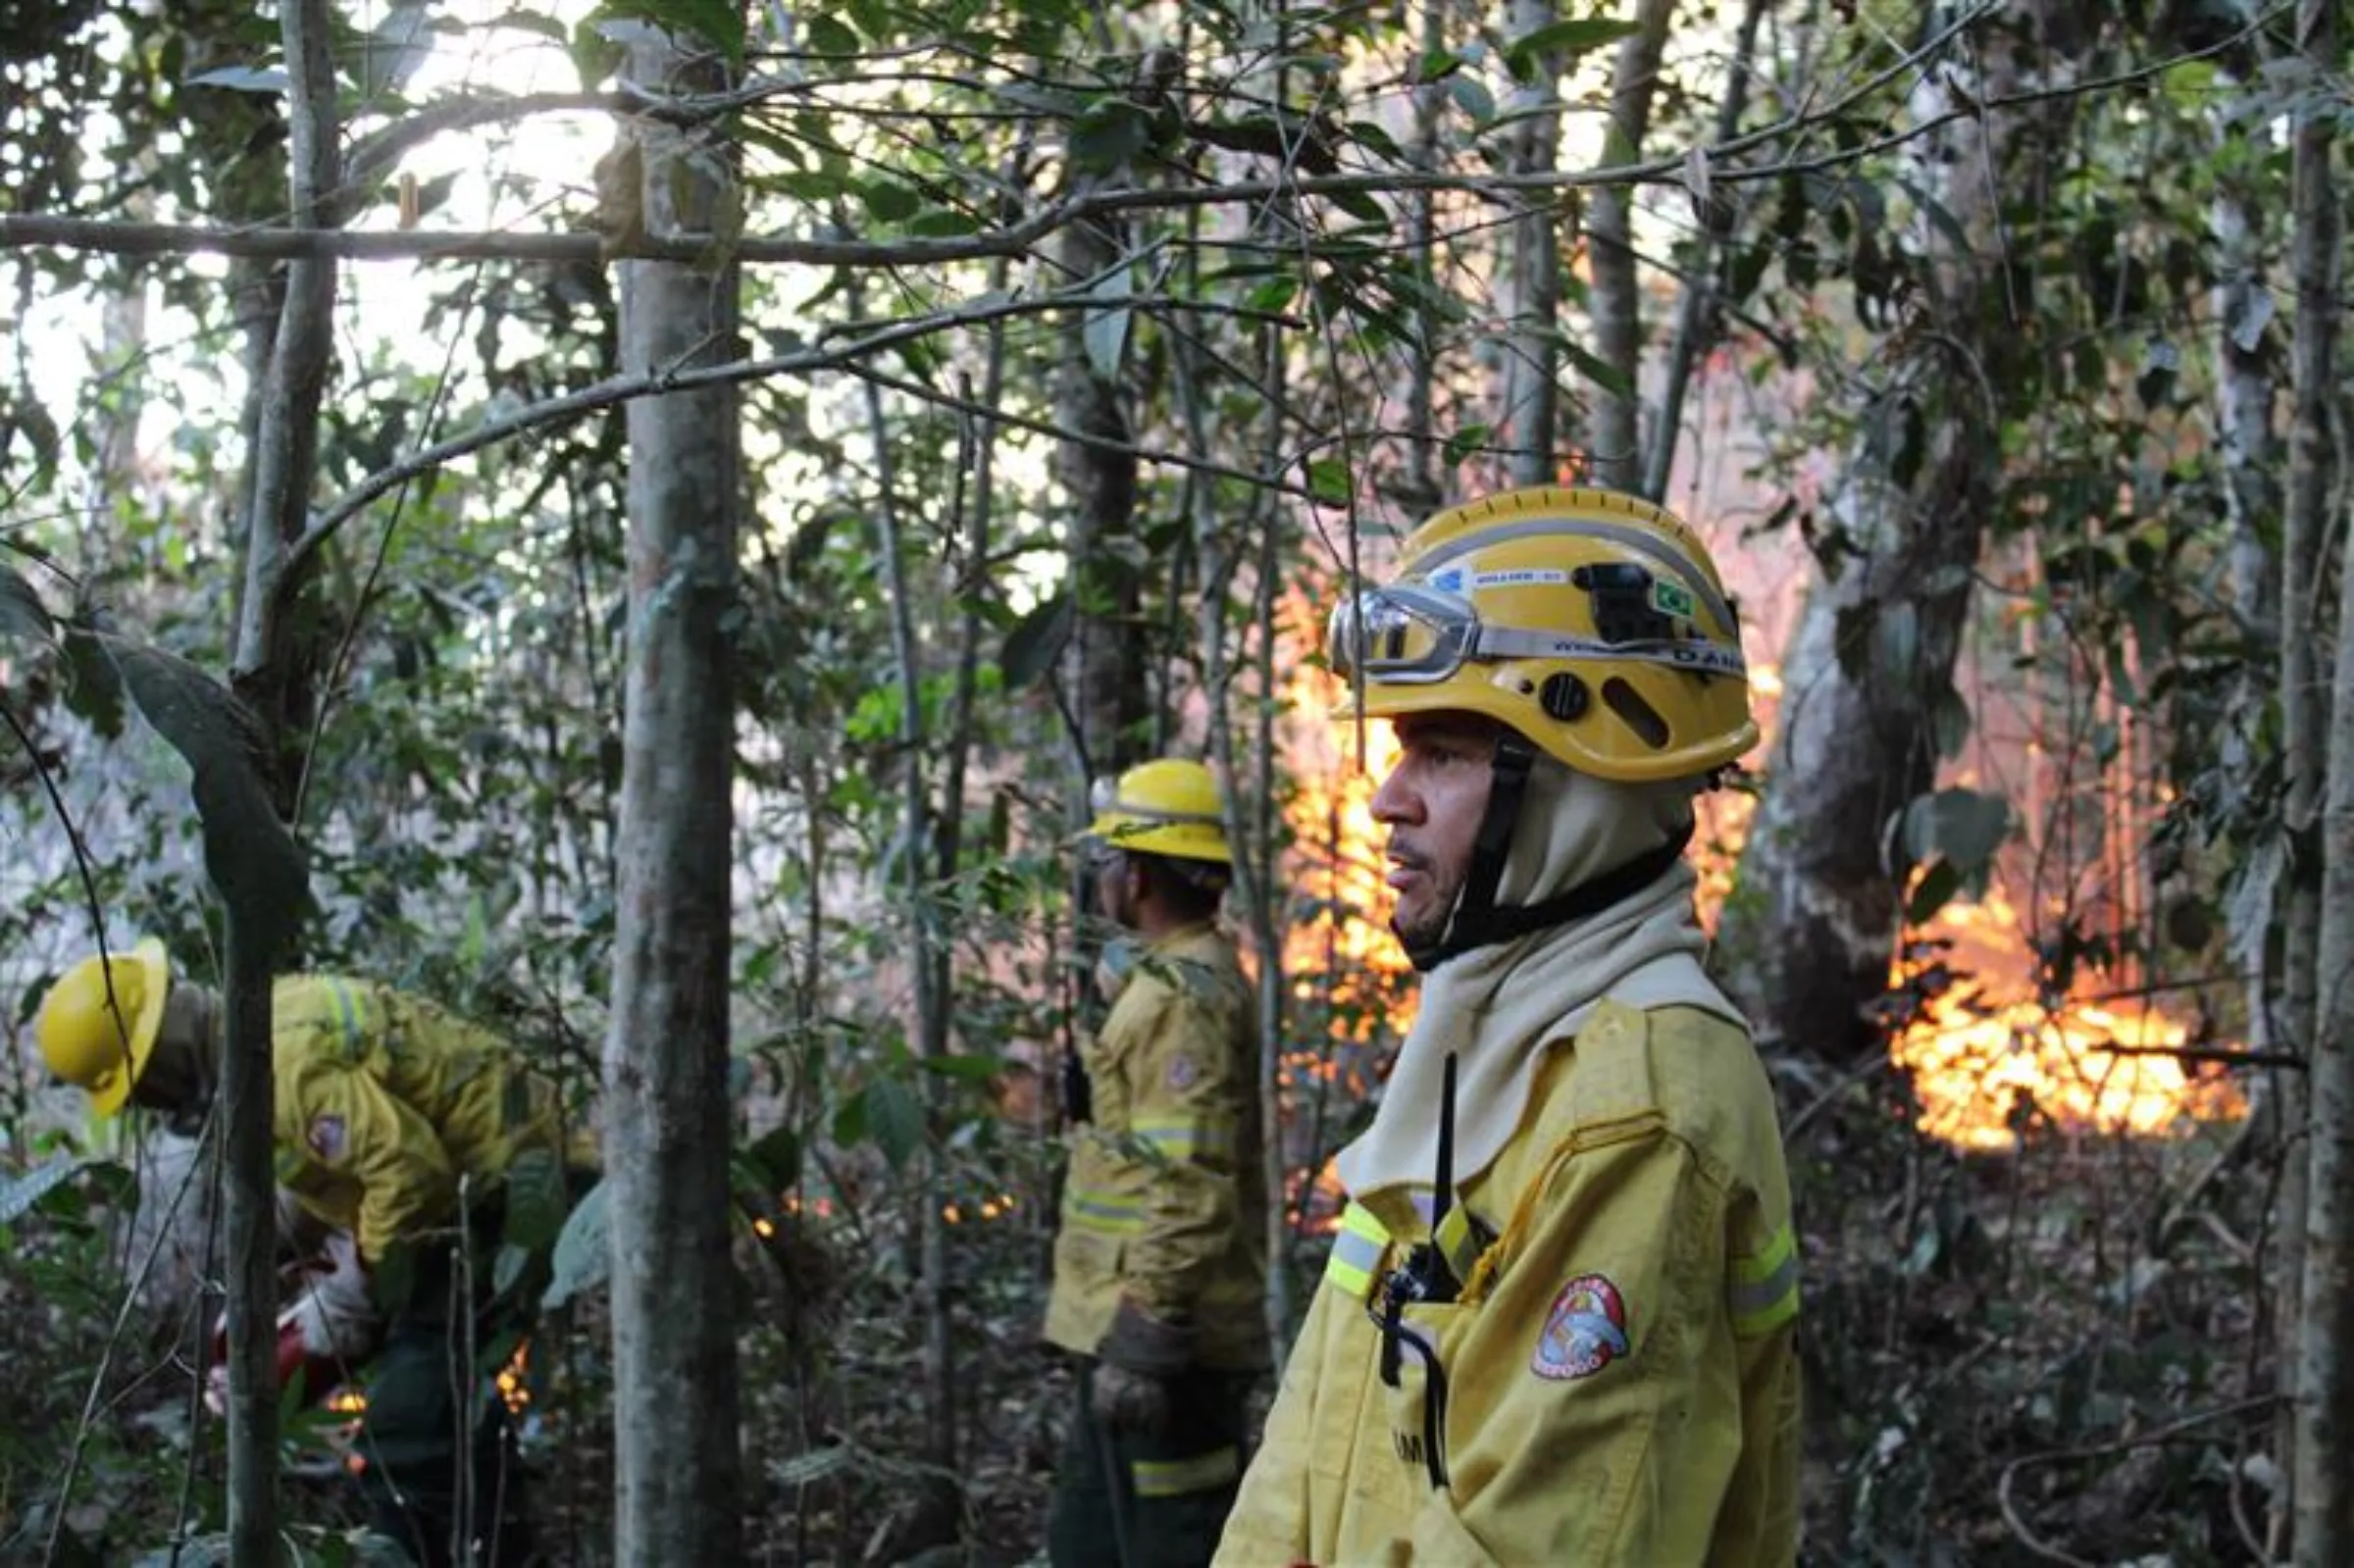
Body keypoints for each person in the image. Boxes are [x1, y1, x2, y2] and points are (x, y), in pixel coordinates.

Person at [1215, 485, 1802, 1565]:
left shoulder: (1640, 1110)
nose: (1389, 800)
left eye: (1443, 754)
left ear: (1579, 782)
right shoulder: (1485, 1041)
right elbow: (1310, 1438)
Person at [35, 938, 592, 1568]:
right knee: (442, 1405)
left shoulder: (278, 1060)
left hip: (514, 1192)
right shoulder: (259, 1030)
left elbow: (409, 1173)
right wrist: (282, 1262)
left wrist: (361, 1284)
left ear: (160, 1054)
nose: (149, 1106)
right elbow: (340, 1161)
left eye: (141, 1089)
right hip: (478, 1198)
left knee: (408, 1432)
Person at [1045, 758, 1272, 1568]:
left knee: (1174, 1547)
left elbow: (1192, 1178)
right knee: (1089, 1546)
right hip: (1125, 1327)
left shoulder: (1185, 995)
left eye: (1109, 862)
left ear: (1135, 874)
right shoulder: (1165, 979)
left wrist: (1148, 1331)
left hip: (1171, 1350)